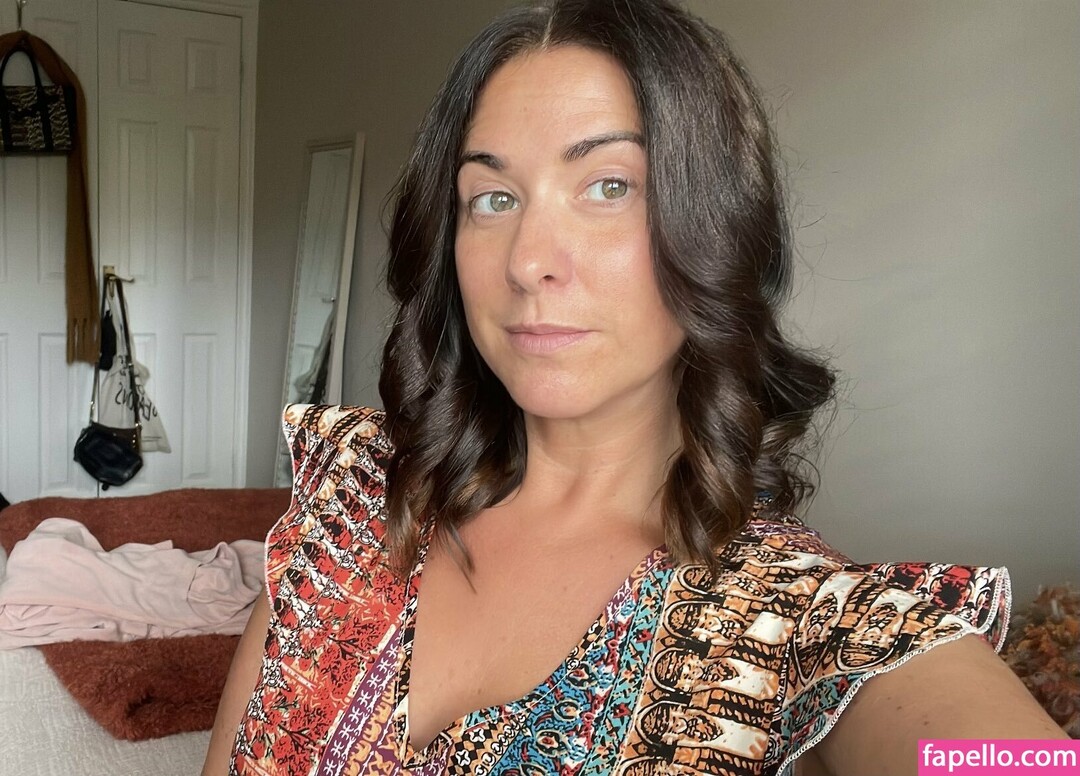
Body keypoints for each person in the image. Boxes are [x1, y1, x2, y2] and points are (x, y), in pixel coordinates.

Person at [203, 1, 1066, 773]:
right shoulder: (357, 491)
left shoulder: (807, 621)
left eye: (609, 186)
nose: (529, 261)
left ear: (716, 227)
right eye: (492, 198)